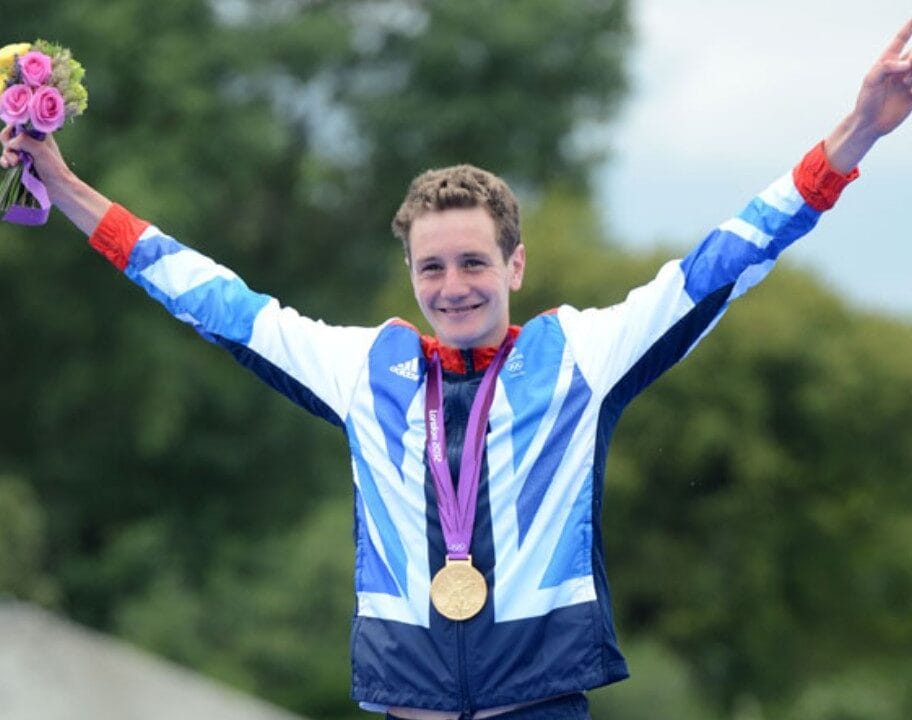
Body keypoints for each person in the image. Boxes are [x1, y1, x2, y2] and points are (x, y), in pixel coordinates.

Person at [3, 17, 912, 720]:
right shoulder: (364, 369)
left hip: (541, 704)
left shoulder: (582, 358)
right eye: (433, 267)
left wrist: (860, 131)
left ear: (514, 265)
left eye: (474, 263)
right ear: (411, 275)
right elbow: (206, 295)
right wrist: (63, 183)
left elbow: (726, 259)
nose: (454, 285)